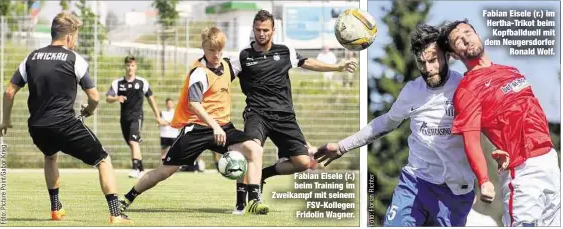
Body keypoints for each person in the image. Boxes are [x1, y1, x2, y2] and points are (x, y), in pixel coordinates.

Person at [313, 24, 507, 226]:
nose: (428, 69)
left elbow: (492, 122)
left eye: (433, 60)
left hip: (455, 193)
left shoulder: (465, 87)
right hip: (416, 184)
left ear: (447, 56)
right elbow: (385, 123)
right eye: (422, 63)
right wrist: (342, 146)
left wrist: (502, 148)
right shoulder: (412, 91)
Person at [0, 12, 132, 224]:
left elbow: (9, 92)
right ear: (69, 37)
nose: (75, 41)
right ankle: (115, 214)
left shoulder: (31, 57)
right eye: (76, 37)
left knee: (50, 156)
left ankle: (55, 209)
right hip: (65, 124)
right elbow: (95, 97)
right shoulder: (74, 58)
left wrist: (5, 120)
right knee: (103, 159)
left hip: (38, 126)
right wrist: (89, 109)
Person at [118, 26, 269, 215]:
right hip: (197, 128)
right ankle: (127, 198)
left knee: (252, 150)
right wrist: (214, 126)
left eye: (219, 50)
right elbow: (194, 105)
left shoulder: (229, 65)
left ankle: (249, 202)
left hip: (223, 127)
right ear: (203, 48)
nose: (216, 54)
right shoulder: (199, 72)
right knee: (165, 171)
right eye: (211, 50)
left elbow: (250, 57)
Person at [229, 9, 357, 214]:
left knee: (303, 162)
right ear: (253, 30)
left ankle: (262, 175)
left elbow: (308, 62)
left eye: (265, 30)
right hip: (257, 113)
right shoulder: (243, 56)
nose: (261, 34)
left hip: (284, 115)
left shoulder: (285, 50)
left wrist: (337, 67)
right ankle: (245, 201)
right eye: (258, 30)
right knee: (252, 150)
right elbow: (222, 78)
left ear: (273, 30)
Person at [440, 19, 560, 227]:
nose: (465, 39)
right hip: (522, 169)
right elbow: (471, 139)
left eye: (468, 32)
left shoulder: (511, 70)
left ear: (477, 34)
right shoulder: (468, 89)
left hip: (549, 161)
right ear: (453, 54)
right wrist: (484, 179)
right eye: (457, 40)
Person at [106, 56, 163, 178]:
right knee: (132, 143)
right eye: (128, 65)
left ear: (136, 67)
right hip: (124, 118)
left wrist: (157, 116)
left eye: (132, 65)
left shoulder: (142, 82)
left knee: (133, 141)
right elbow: (108, 98)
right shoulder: (118, 83)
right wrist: (117, 98)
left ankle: (135, 168)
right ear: (125, 66)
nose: (130, 68)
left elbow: (151, 99)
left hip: (137, 116)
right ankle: (141, 169)